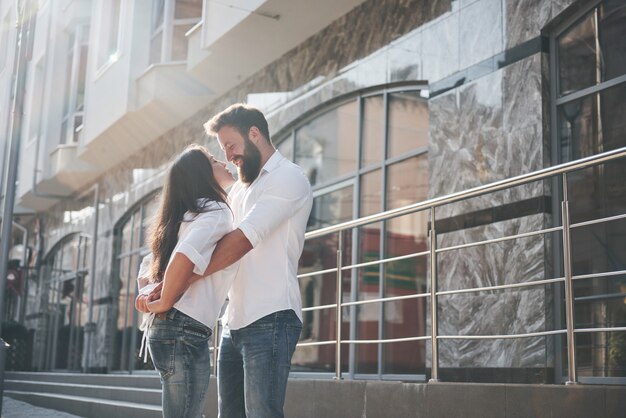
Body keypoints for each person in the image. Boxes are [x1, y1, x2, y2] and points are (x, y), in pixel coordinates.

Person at [148, 104, 313, 417]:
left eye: (232, 147)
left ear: (254, 134)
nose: (228, 157)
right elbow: (196, 230)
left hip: (271, 316)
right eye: (222, 150)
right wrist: (157, 277)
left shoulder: (288, 178)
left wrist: (182, 279)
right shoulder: (237, 190)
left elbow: (242, 240)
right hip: (232, 322)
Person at [135, 144, 236, 418]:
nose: (224, 162)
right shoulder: (216, 212)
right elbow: (183, 256)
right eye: (214, 160)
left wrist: (149, 295)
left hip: (167, 329)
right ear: (202, 175)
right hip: (183, 327)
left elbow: (148, 267)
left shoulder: (183, 217)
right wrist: (164, 300)